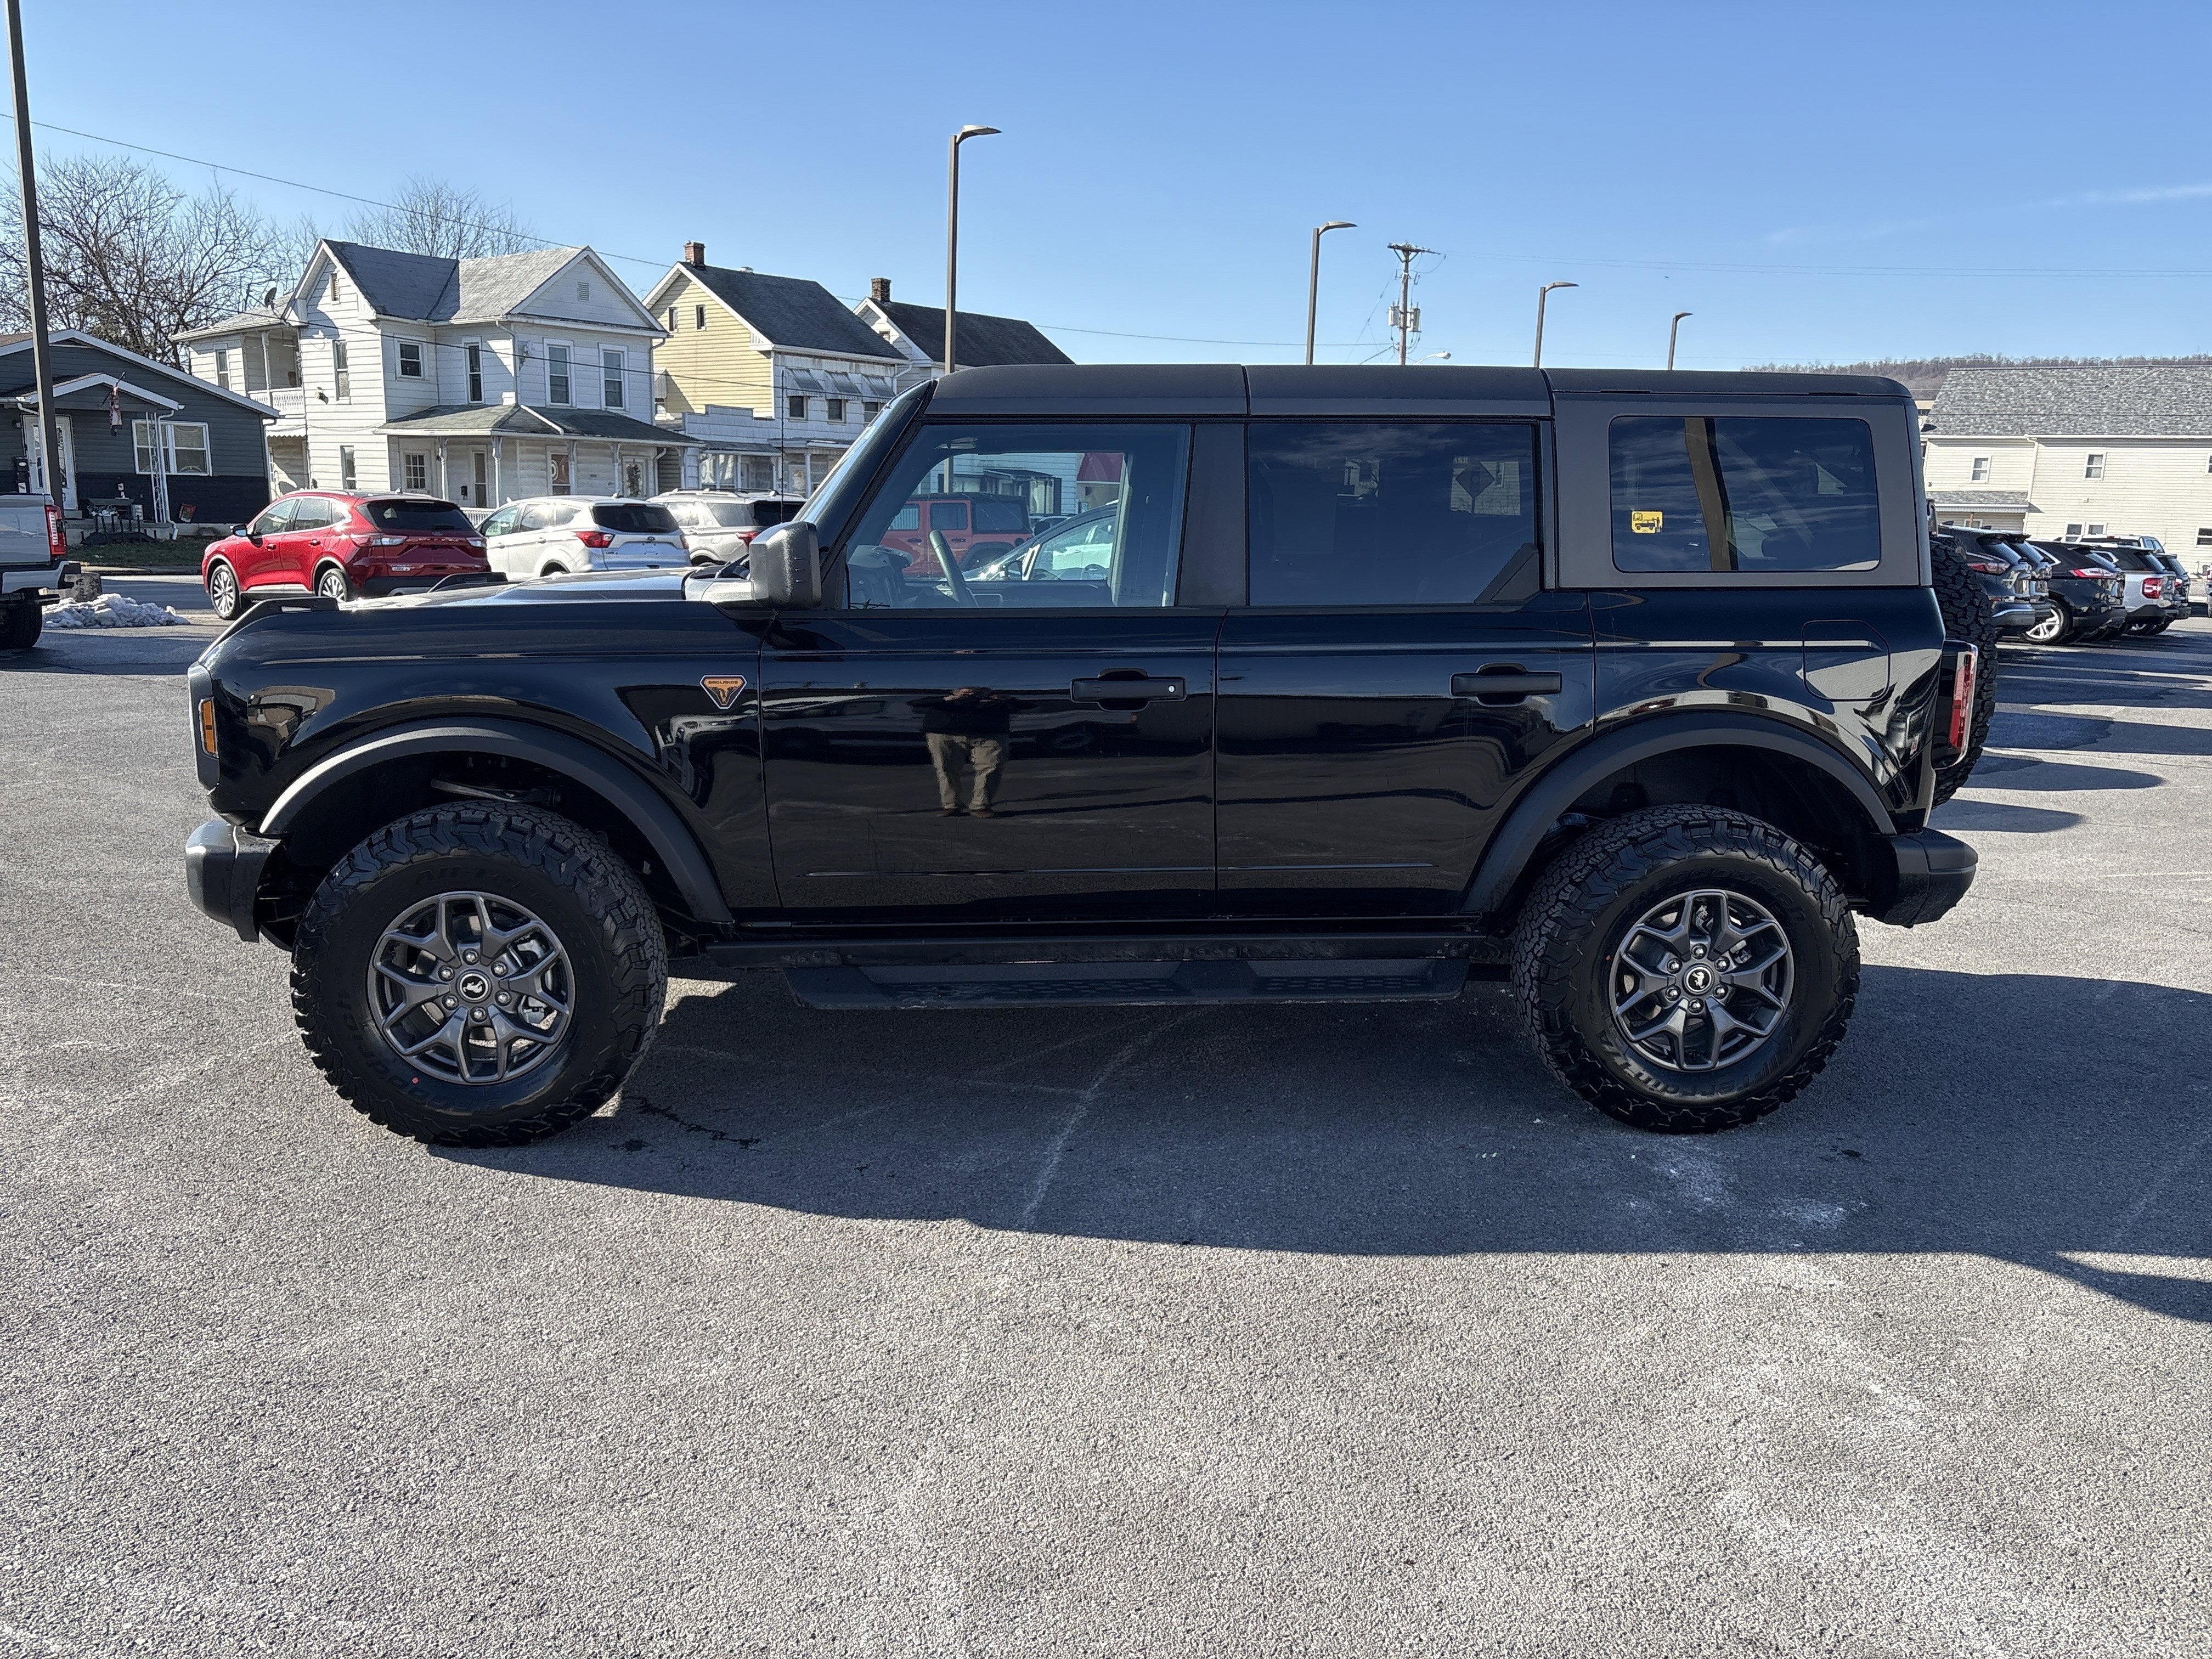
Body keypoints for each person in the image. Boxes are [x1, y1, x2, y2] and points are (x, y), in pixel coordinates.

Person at [915, 685, 1020, 816]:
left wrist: (1004, 699)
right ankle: (950, 805)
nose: (971, 695)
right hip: (944, 733)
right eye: (966, 693)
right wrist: (949, 699)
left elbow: (1024, 706)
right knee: (945, 768)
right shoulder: (942, 696)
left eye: (978, 693)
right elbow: (916, 703)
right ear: (954, 691)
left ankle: (981, 805)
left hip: (991, 733)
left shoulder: (999, 700)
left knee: (992, 767)